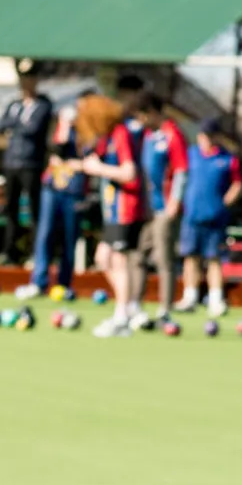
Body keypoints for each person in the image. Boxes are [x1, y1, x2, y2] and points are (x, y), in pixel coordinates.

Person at [77, 90, 146, 337]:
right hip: (112, 210)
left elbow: (129, 173)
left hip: (125, 208)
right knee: (103, 258)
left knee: (117, 260)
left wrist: (99, 169)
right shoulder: (108, 138)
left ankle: (123, 316)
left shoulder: (121, 134)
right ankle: (127, 308)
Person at [178, 118, 242, 316]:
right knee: (190, 257)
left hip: (215, 218)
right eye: (202, 135)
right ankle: (190, 296)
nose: (204, 139)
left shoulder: (227, 159)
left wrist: (225, 203)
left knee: (214, 259)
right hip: (191, 216)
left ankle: (215, 299)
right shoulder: (190, 155)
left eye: (208, 136)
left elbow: (237, 184)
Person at [138, 92, 188, 324]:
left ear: (153, 113)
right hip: (146, 207)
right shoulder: (147, 135)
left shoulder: (172, 134)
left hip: (164, 207)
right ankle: (134, 306)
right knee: (139, 255)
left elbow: (180, 170)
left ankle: (164, 309)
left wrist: (174, 202)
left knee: (163, 258)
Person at [0, 63, 52, 276]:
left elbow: (33, 129)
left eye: (30, 77)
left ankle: (35, 253)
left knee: (34, 211)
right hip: (11, 163)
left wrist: (17, 127)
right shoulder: (14, 104)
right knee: (11, 210)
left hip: (31, 164)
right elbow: (3, 123)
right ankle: (10, 252)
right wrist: (18, 125)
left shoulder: (43, 104)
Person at [27, 102, 84, 294]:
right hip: (52, 189)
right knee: (45, 234)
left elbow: (87, 156)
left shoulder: (85, 133)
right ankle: (38, 281)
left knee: (69, 239)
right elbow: (56, 147)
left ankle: (64, 284)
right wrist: (65, 126)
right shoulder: (55, 129)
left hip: (73, 191)